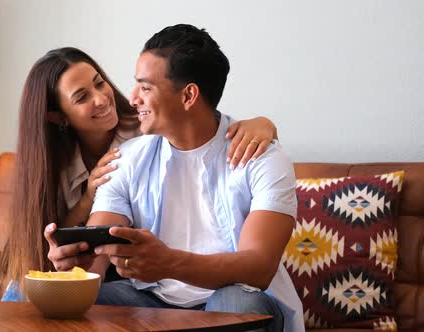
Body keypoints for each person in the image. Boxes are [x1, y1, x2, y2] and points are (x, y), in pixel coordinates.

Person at [45, 25, 303, 332]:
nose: (132, 98)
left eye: (145, 87)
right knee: (61, 302)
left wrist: (168, 263)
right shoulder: (126, 159)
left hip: (238, 295)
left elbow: (258, 268)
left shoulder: (262, 158)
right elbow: (100, 249)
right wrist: (80, 266)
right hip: (151, 301)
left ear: (188, 95)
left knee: (234, 304)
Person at [0, 47, 280, 301]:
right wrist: (86, 201)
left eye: (99, 83)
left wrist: (264, 124)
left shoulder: (149, 130)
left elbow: (204, 126)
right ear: (58, 117)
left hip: (135, 269)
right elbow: (30, 249)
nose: (101, 99)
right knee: (19, 289)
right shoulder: (50, 165)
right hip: (111, 270)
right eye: (82, 97)